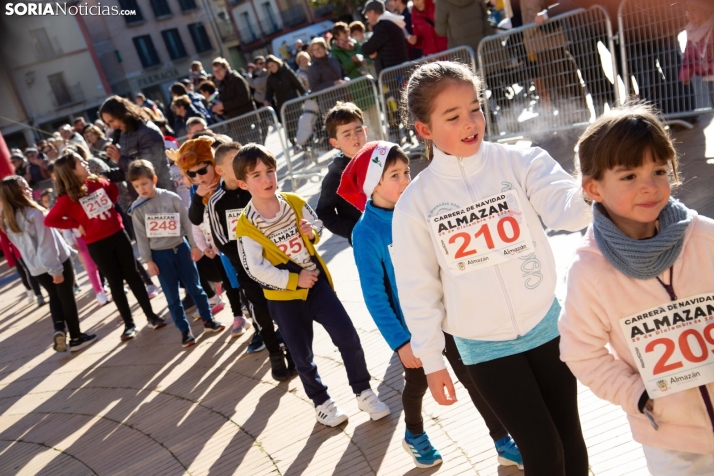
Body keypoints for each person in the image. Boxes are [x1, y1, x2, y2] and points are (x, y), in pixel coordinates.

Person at [392, 61, 591, 475]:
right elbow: (418, 288)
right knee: (543, 452)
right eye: (453, 116)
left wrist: (597, 189)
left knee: (571, 444)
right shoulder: (415, 203)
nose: (470, 123)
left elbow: (567, 210)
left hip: (545, 326)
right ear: (424, 129)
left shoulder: (520, 161)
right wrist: (431, 360)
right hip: (484, 347)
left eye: (475, 108)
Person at [340, 141, 523, 469]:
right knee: (419, 382)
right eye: (394, 175)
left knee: (472, 376)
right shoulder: (365, 233)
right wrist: (400, 341)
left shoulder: (418, 207)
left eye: (406, 171)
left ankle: (502, 440)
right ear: (373, 184)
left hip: (451, 313)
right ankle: (414, 434)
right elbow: (374, 295)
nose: (405, 180)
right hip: (415, 328)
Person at [558, 105, 714, 476]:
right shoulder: (589, 272)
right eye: (628, 176)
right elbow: (581, 353)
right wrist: (637, 396)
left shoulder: (705, 237)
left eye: (659, 170)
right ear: (593, 187)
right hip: (672, 443)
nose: (650, 185)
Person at [233, 143, 391, 427]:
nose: (266, 179)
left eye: (269, 171)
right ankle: (322, 403)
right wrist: (294, 280)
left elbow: (316, 223)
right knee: (301, 354)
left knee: (347, 336)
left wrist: (312, 232)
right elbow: (254, 269)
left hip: (316, 284)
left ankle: (364, 391)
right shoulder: (246, 226)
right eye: (256, 175)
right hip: (283, 297)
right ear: (243, 183)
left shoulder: (293, 201)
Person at [45, 151, 167, 341]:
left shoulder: (96, 181)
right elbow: (51, 220)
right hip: (96, 244)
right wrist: (75, 225)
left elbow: (112, 190)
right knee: (115, 283)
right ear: (70, 171)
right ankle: (129, 324)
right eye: (79, 162)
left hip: (118, 235)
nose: (85, 163)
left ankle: (151, 316)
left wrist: (111, 204)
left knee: (133, 276)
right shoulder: (66, 198)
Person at [202, 142, 292, 379]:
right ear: (221, 169)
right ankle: (274, 353)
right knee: (260, 311)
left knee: (284, 308)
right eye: (235, 161)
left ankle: (292, 349)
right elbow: (221, 240)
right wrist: (249, 263)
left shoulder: (257, 189)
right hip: (246, 270)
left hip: (275, 263)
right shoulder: (216, 201)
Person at [127, 159, 225, 348]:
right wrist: (148, 261)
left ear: (154, 179)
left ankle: (208, 320)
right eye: (136, 186)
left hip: (181, 248)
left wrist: (195, 245)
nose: (142, 188)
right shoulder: (137, 210)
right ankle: (184, 331)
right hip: (159, 256)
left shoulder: (171, 197)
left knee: (196, 287)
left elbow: (187, 223)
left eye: (144, 183)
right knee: (172, 297)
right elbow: (141, 237)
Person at [0, 176, 96, 352]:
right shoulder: (34, 214)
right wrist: (56, 270)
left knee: (54, 296)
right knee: (66, 298)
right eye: (24, 188)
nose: (29, 190)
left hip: (36, 268)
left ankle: (59, 329)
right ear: (15, 194)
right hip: (55, 262)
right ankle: (76, 337)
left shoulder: (7, 220)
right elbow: (46, 245)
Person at [171, 137, 250, 337]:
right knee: (230, 282)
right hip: (220, 247)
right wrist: (201, 244)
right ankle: (238, 315)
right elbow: (195, 219)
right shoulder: (195, 189)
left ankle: (255, 312)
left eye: (202, 170)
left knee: (249, 281)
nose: (198, 177)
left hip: (244, 240)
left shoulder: (226, 182)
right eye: (191, 174)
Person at [99, 95, 175, 198]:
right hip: (141, 199)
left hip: (162, 196)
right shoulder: (124, 134)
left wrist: (120, 159)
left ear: (122, 113)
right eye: (108, 123)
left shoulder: (147, 131)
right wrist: (107, 175)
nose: (112, 127)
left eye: (112, 121)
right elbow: (129, 173)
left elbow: (150, 168)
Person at [315, 103, 367, 244]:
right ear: (335, 142)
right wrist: (353, 230)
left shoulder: (382, 158)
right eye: (347, 134)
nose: (355, 137)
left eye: (358, 130)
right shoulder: (336, 177)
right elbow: (324, 212)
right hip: (367, 243)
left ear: (365, 130)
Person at [264, 55, 306, 147]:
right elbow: (269, 92)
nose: (272, 68)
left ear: (277, 63)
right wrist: (266, 100)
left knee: (298, 123)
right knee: (288, 126)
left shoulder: (287, 72)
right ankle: (294, 144)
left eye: (273, 65)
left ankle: (305, 143)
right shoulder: (270, 79)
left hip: (294, 102)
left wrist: (304, 94)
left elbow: (298, 84)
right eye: (269, 67)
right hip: (282, 105)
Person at [361, 0, 410, 77]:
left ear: (373, 12)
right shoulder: (389, 22)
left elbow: (367, 48)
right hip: (397, 70)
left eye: (367, 15)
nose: (368, 19)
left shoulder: (383, 26)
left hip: (394, 74)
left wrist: (373, 52)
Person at [679, 0, 714, 106]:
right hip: (707, 75)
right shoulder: (691, 33)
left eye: (694, 10)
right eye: (688, 11)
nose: (690, 13)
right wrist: (685, 75)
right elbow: (688, 56)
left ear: (705, 10)